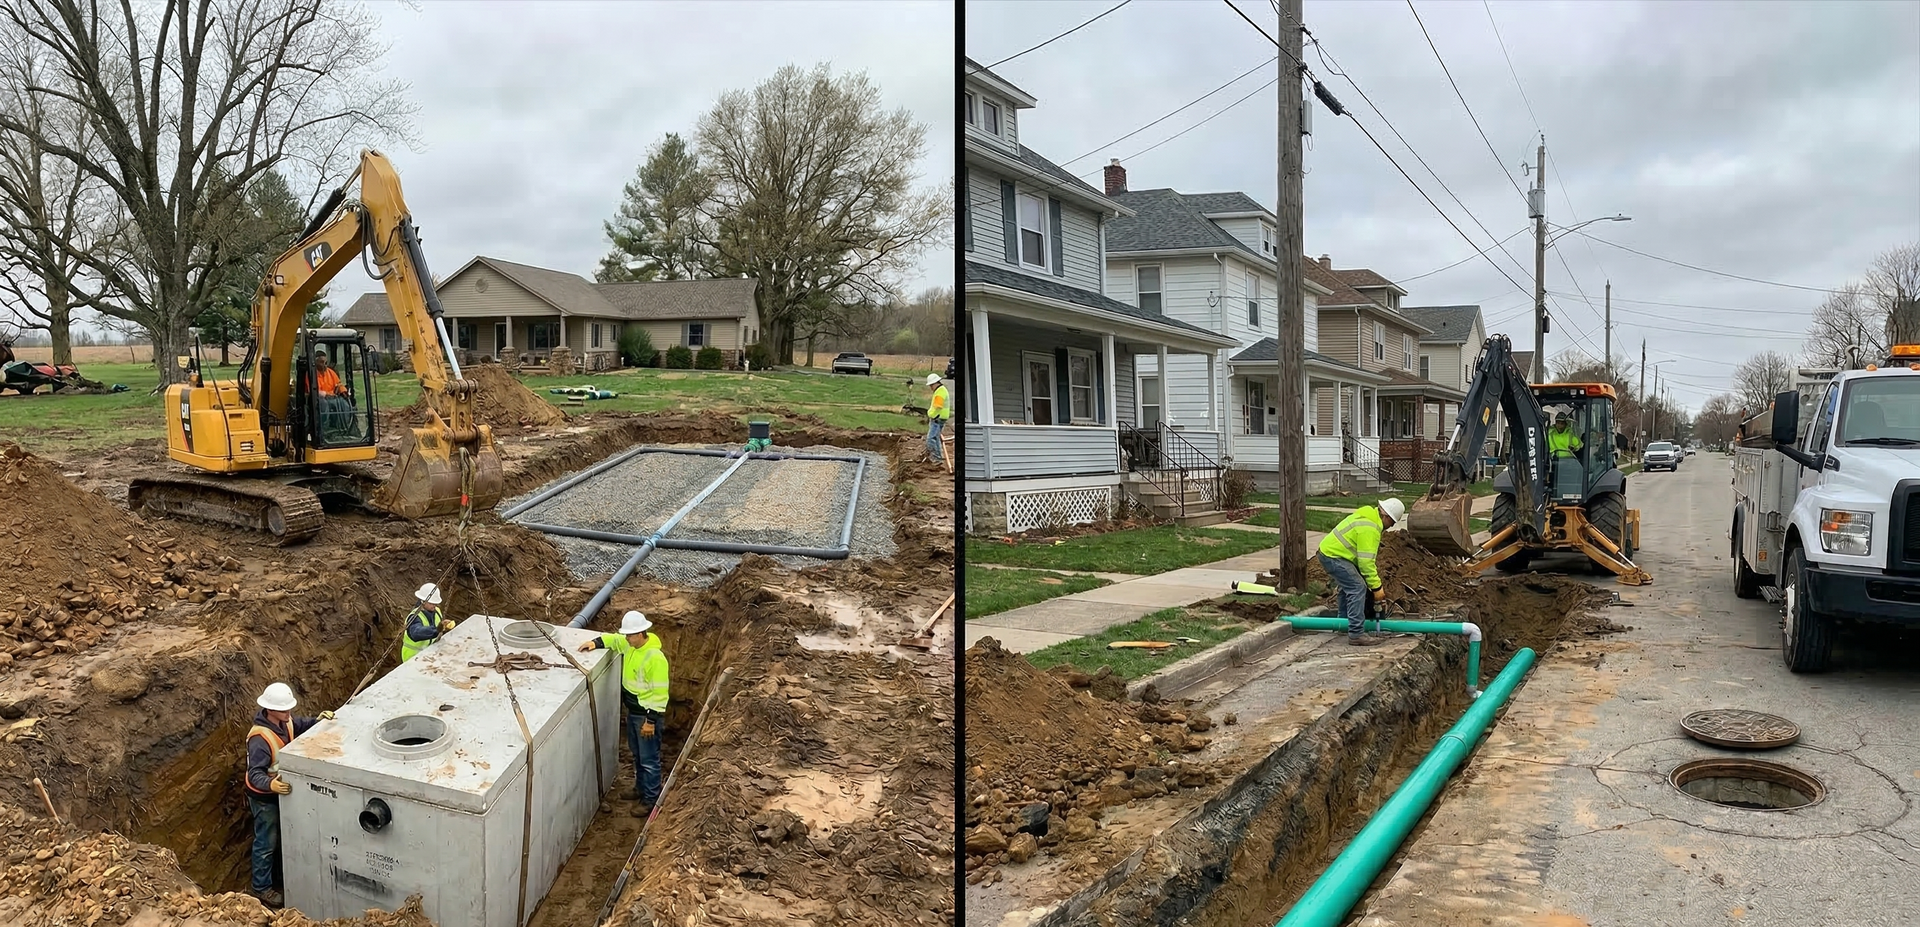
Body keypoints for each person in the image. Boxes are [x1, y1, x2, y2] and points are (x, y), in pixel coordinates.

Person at [245, 682, 330, 909]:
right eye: (283, 710)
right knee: (266, 842)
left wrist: (317, 721)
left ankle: (282, 876)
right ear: (269, 710)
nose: (288, 713)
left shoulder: (285, 720)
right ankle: (262, 888)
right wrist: (271, 785)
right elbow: (254, 774)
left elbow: (300, 724)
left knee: (283, 837)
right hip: (264, 797)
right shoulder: (260, 739)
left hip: (281, 791)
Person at [578, 611, 669, 816]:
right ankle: (640, 788)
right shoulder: (630, 645)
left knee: (649, 760)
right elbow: (614, 640)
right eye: (626, 635)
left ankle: (650, 800)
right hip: (634, 713)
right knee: (637, 756)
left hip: (646, 716)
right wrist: (595, 642)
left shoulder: (655, 657)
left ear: (642, 632)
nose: (627, 638)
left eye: (631, 635)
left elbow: (660, 693)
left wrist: (651, 721)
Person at [1316, 497, 1405, 647]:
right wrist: (1377, 588)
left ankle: (1343, 625)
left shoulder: (1368, 518)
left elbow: (1362, 559)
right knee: (1357, 587)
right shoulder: (1370, 528)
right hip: (1334, 556)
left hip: (1332, 553)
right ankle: (1356, 634)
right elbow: (1366, 563)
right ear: (1386, 516)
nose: (1391, 527)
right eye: (1392, 522)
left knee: (1348, 587)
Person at [400, 582, 454, 662]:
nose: (434, 605)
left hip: (427, 655)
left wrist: (444, 625)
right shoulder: (415, 617)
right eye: (431, 603)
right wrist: (437, 629)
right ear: (423, 601)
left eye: (435, 603)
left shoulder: (437, 611)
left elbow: (437, 625)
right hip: (412, 657)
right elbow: (416, 633)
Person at [924, 373, 950, 463]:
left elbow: (938, 406)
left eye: (931, 385)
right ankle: (938, 456)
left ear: (935, 383)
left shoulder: (940, 392)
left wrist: (931, 414)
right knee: (936, 437)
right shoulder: (941, 390)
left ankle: (935, 458)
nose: (930, 387)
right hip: (940, 418)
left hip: (937, 419)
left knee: (931, 438)